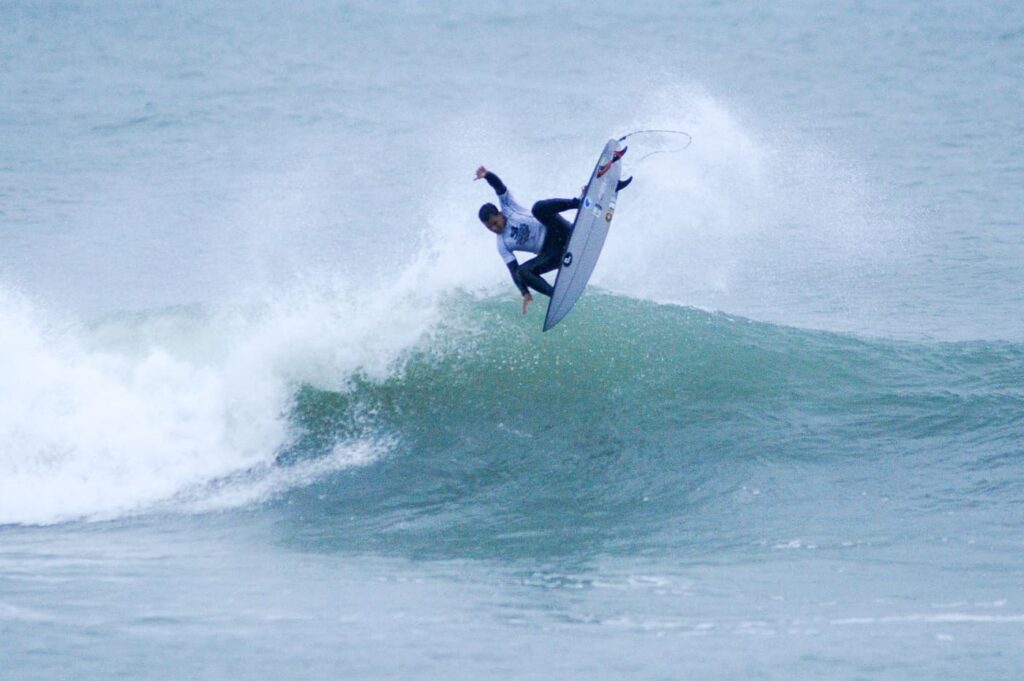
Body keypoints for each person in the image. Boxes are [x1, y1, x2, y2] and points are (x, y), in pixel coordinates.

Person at [474, 165, 581, 314]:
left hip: (560, 231)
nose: (494, 228)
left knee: (538, 208)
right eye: (489, 227)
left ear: (499, 213)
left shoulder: (508, 206)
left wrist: (487, 175)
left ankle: (578, 203)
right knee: (522, 271)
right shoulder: (502, 244)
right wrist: (524, 292)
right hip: (552, 253)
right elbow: (513, 271)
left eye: (494, 223)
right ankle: (558, 297)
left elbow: (499, 187)